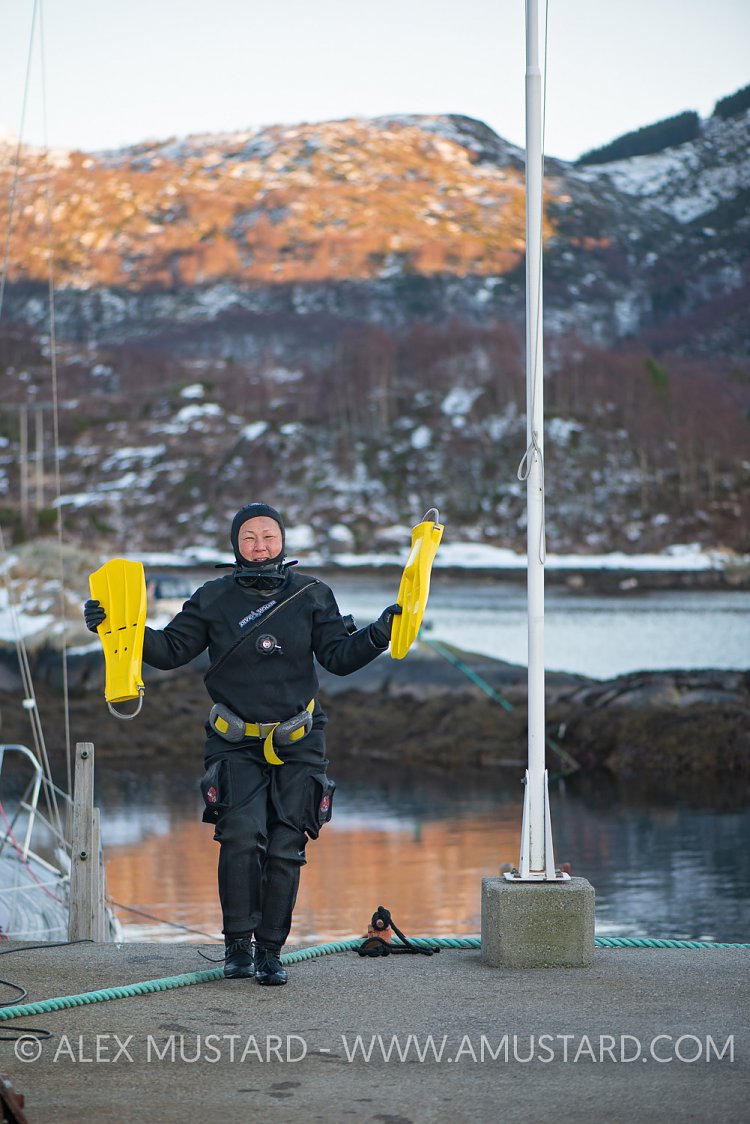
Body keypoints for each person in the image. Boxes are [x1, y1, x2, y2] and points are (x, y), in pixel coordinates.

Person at [84, 503, 400, 985]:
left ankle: (270, 952)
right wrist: (113, 626)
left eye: (268, 536)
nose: (259, 545)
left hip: (300, 739)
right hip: (233, 741)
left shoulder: (313, 594)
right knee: (239, 838)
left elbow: (338, 656)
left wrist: (379, 634)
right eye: (249, 537)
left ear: (283, 541)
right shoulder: (212, 598)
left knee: (285, 846)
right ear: (236, 544)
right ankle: (237, 948)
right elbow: (169, 651)